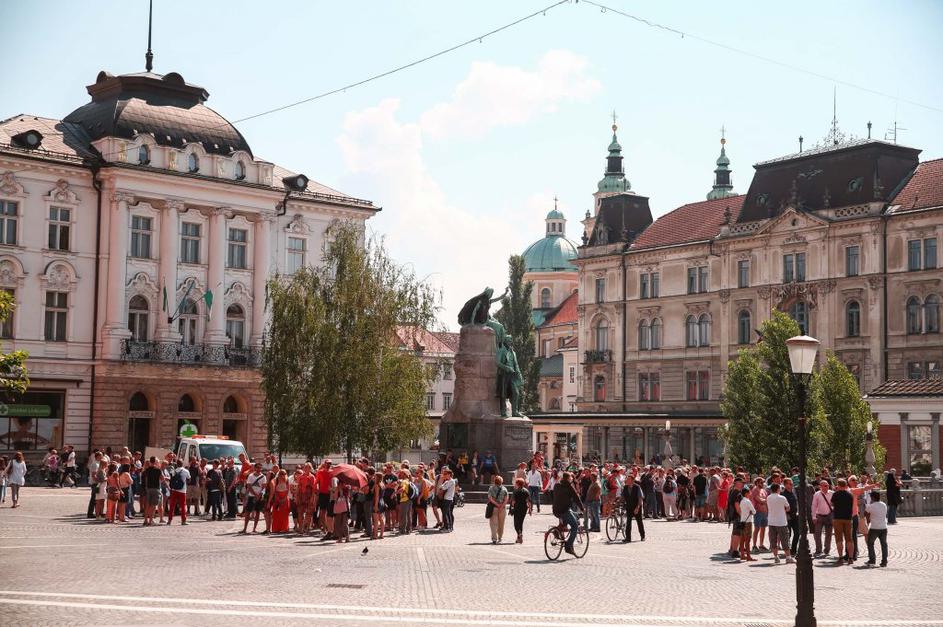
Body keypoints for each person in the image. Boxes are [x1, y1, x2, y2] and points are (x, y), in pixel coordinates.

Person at [552, 472, 584, 555]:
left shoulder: (557, 485)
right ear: (568, 478)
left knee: (570, 515)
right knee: (575, 526)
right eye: (571, 478)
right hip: (564, 510)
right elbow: (576, 498)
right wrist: (582, 508)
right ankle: (568, 546)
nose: (572, 479)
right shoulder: (569, 486)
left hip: (555, 510)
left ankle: (558, 530)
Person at [766, 483, 793, 564]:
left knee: (773, 540)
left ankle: (775, 557)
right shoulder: (782, 498)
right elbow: (788, 508)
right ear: (778, 489)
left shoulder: (768, 497)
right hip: (781, 521)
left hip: (771, 521)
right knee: (784, 539)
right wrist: (783, 510)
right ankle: (788, 557)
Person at [831, 478, 854, 565]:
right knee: (849, 539)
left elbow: (832, 504)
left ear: (838, 485)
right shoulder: (850, 495)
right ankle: (850, 558)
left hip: (837, 518)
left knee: (839, 539)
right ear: (845, 485)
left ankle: (840, 557)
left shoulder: (835, 494)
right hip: (848, 518)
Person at [865, 490, 888, 567]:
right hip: (884, 527)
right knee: (884, 544)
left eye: (871, 497)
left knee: (870, 543)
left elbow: (866, 512)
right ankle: (884, 561)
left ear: (873, 498)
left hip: (874, 527)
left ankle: (872, 560)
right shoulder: (884, 504)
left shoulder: (871, 506)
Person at [241, 462, 266, 533]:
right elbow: (249, 486)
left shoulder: (263, 477)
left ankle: (254, 529)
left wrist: (260, 495)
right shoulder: (251, 476)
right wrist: (255, 494)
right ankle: (245, 528)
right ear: (255, 468)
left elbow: (263, 487)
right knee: (248, 512)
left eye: (260, 468)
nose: (259, 469)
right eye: (257, 467)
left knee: (257, 512)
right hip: (251, 496)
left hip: (259, 497)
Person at [811, 480, 833, 557]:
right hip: (819, 516)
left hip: (829, 516)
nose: (827, 487)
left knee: (829, 534)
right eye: (825, 485)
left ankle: (827, 550)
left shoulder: (832, 493)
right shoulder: (817, 494)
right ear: (821, 486)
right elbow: (814, 506)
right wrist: (813, 517)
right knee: (817, 534)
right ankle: (818, 549)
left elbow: (834, 504)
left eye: (827, 485)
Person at [621, 473, 645, 543]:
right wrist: (617, 502)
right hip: (629, 507)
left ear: (632, 480)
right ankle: (628, 538)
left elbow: (640, 498)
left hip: (636, 507)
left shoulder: (637, 487)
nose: (627, 481)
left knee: (639, 522)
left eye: (628, 480)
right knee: (628, 523)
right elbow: (622, 497)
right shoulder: (625, 487)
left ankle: (642, 536)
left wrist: (637, 508)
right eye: (627, 480)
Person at [167, 460, 190, 525]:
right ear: (182, 464)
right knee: (183, 506)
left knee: (172, 505)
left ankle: (169, 520)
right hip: (182, 490)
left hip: (174, 490)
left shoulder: (173, 471)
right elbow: (189, 479)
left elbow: (171, 479)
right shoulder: (186, 471)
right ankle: (183, 521)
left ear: (176, 464)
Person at [487, 475, 509, 544]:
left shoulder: (491, 488)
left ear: (495, 481)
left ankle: (494, 538)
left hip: (494, 508)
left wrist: (497, 505)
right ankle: (500, 537)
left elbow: (490, 498)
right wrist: (501, 506)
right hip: (502, 509)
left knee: (493, 524)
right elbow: (506, 499)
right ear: (501, 482)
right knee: (501, 524)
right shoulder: (504, 489)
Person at [141, 456, 163, 526]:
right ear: (155, 461)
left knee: (147, 504)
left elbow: (146, 480)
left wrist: (147, 487)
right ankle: (150, 521)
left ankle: (145, 520)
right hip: (156, 488)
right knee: (153, 505)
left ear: (150, 461)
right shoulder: (158, 470)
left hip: (149, 488)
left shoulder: (147, 470)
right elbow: (162, 478)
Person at [750, 477, 769, 553]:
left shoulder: (763, 490)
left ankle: (761, 545)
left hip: (764, 512)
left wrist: (765, 501)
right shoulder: (755, 490)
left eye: (763, 482)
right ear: (757, 482)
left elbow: (765, 500)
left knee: (763, 528)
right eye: (761, 482)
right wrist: (765, 500)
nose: (762, 484)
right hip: (758, 512)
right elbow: (759, 500)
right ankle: (754, 545)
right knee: (757, 528)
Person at [510, 477, 532, 544]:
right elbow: (528, 501)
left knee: (516, 524)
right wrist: (530, 509)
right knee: (521, 522)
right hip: (524, 508)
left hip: (517, 508)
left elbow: (513, 501)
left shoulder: (515, 491)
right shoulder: (526, 491)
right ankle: (518, 538)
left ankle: (519, 534)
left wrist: (512, 508)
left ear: (517, 484)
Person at [738, 486, 756, 561]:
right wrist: (752, 512)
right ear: (746, 493)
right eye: (749, 492)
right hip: (748, 522)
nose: (750, 493)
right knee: (748, 539)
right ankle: (748, 556)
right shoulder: (748, 501)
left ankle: (742, 554)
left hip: (742, 521)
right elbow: (754, 511)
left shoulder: (742, 501)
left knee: (742, 539)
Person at [437, 468, 456, 532]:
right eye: (444, 474)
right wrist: (442, 486)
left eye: (445, 474)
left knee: (445, 513)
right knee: (447, 513)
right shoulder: (447, 481)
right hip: (446, 499)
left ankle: (447, 527)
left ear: (449, 474)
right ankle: (448, 527)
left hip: (448, 499)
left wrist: (442, 486)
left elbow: (443, 487)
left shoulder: (451, 481)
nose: (444, 475)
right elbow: (440, 487)